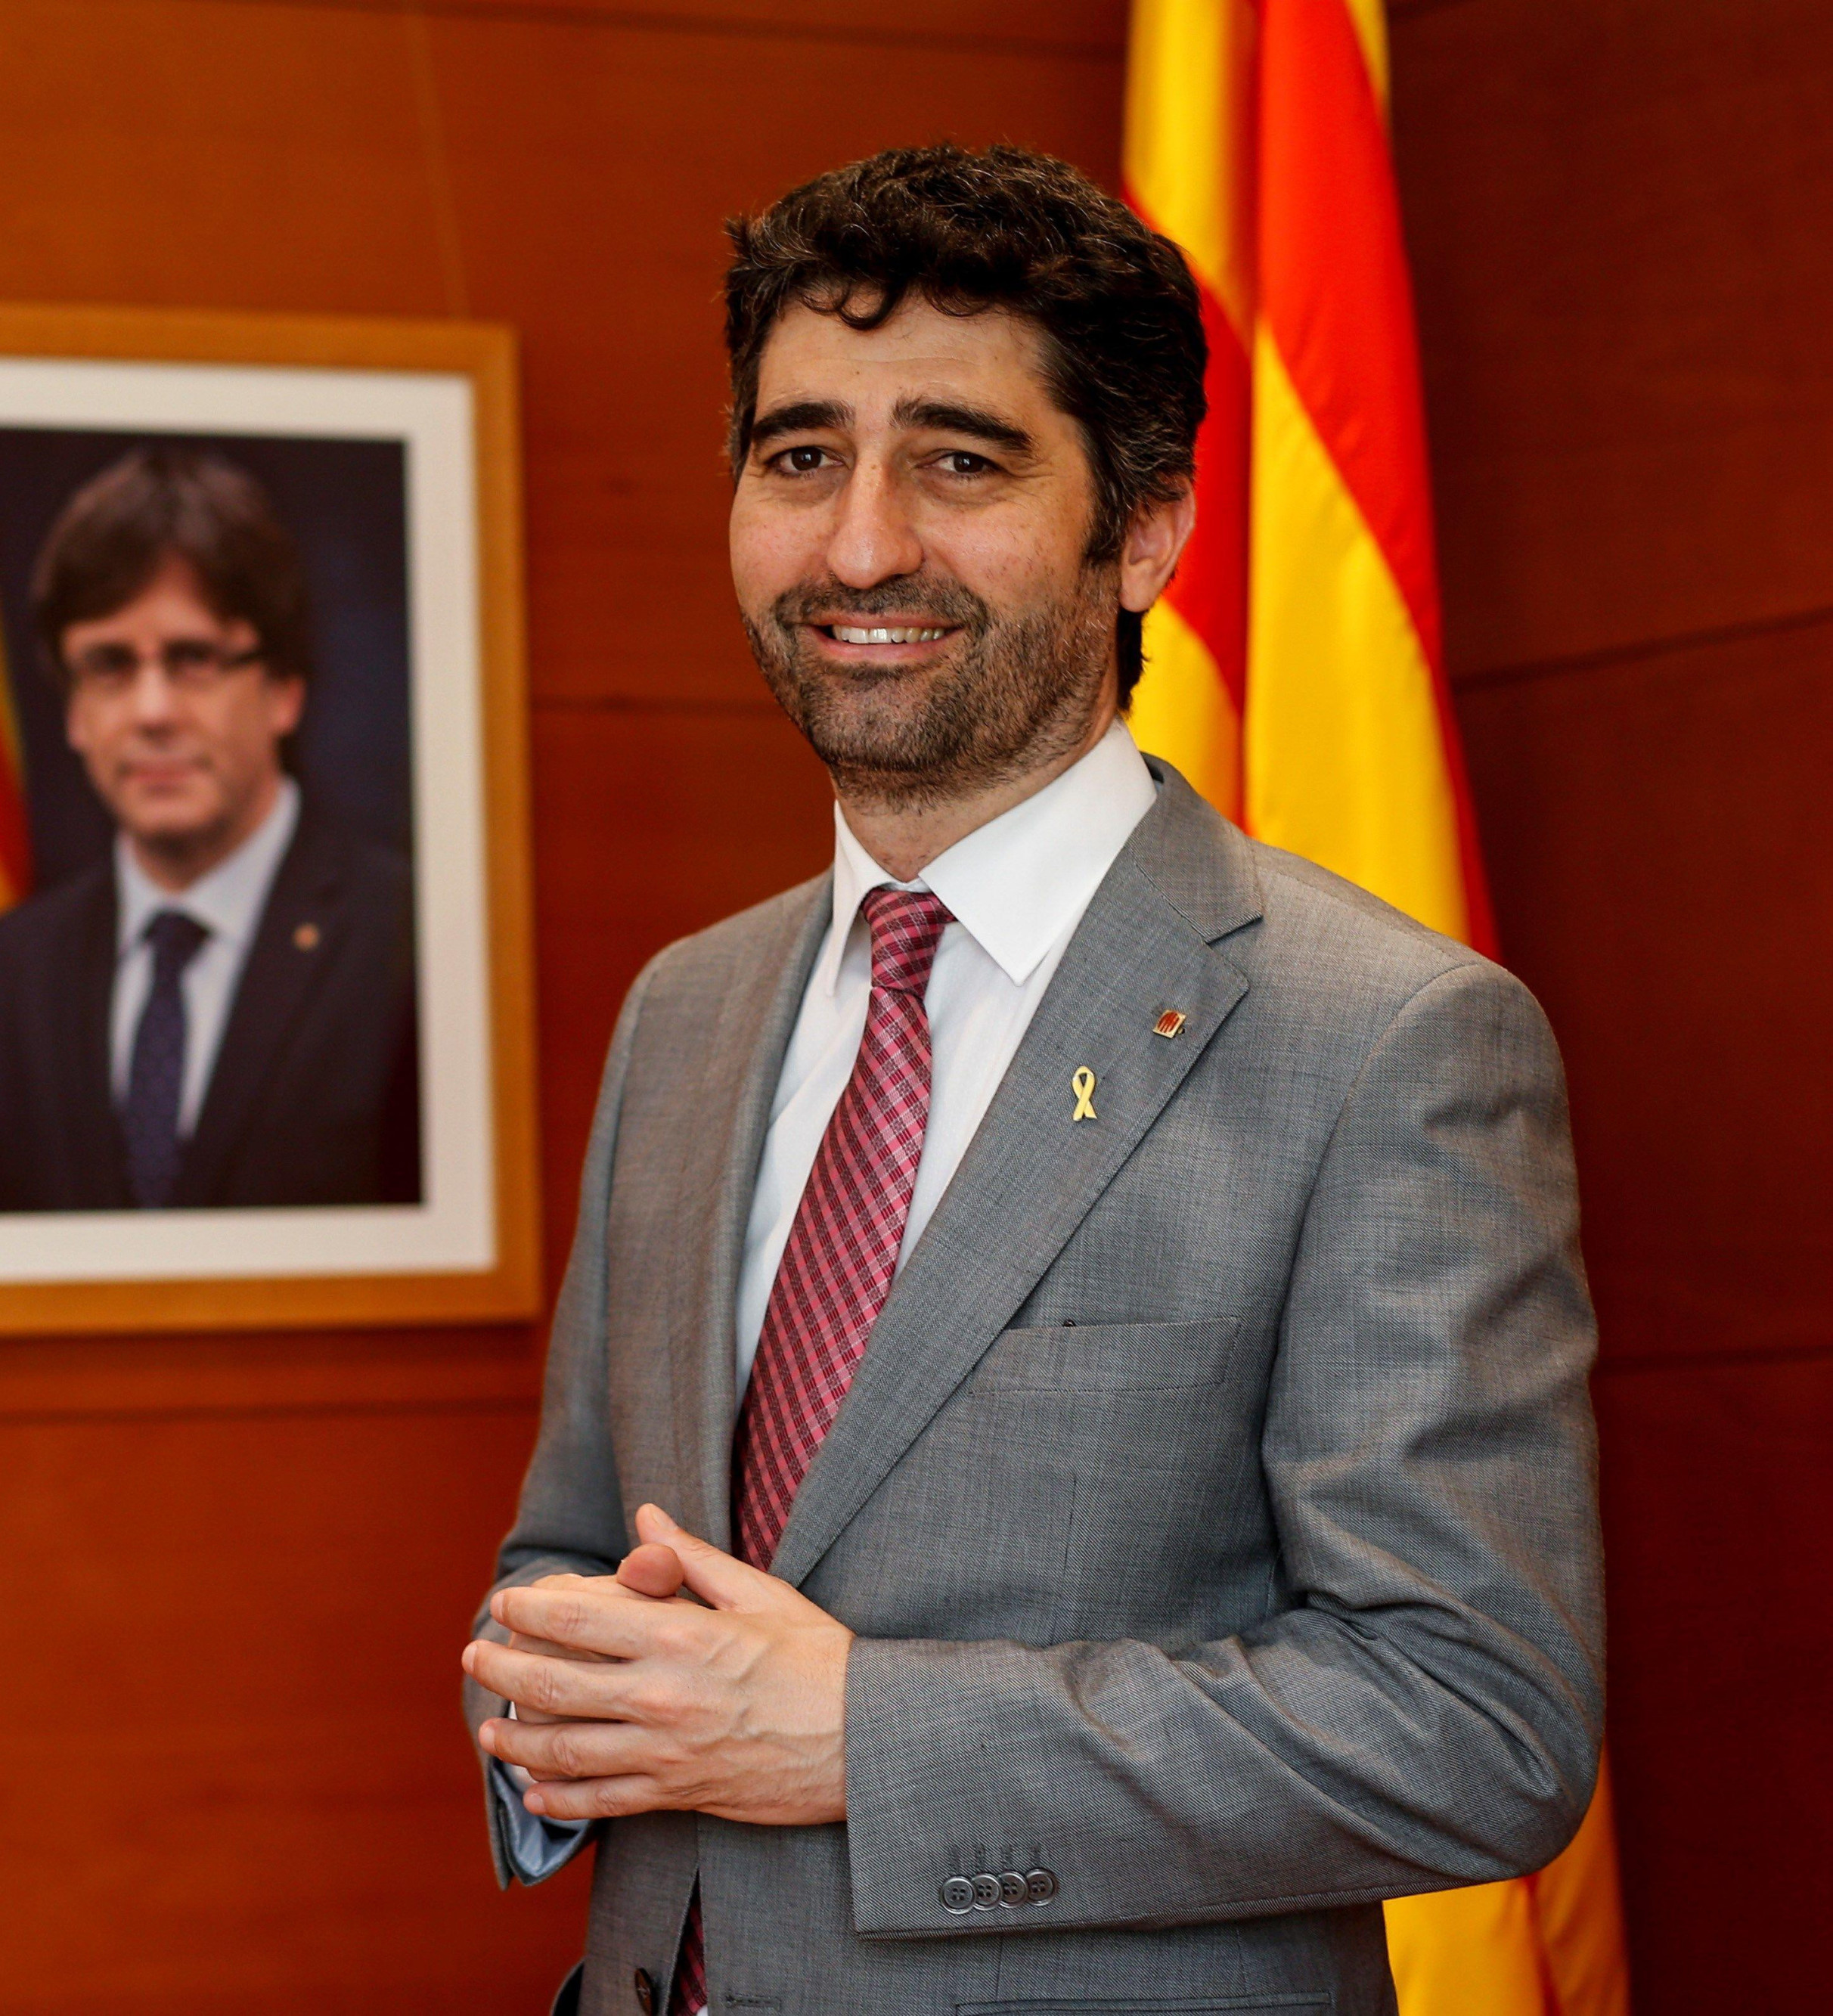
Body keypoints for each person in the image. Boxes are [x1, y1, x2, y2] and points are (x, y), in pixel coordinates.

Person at [458, 146, 1601, 2016]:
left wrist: (863, 1735)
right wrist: (548, 1700)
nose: (856, 545)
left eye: (959, 461)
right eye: (799, 453)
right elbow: (569, 1549)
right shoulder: (684, 1008)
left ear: (1141, 533)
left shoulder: (1382, 1038)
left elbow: (1475, 1718)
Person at [0, 447, 420, 1213]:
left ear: (284, 688)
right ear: (74, 710)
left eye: (194, 659)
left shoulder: (411, 944)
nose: (152, 712)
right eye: (110, 664)